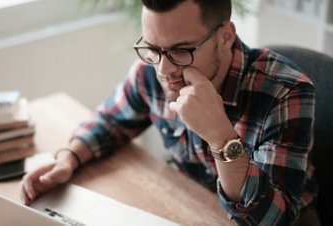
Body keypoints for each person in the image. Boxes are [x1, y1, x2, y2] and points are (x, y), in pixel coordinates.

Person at [20, 0, 319, 225]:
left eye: (181, 50)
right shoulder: (154, 70)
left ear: (225, 36)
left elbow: (274, 219)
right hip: (191, 205)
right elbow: (110, 120)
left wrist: (221, 138)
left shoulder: (286, 92)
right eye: (153, 48)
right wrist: (68, 158)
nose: (165, 69)